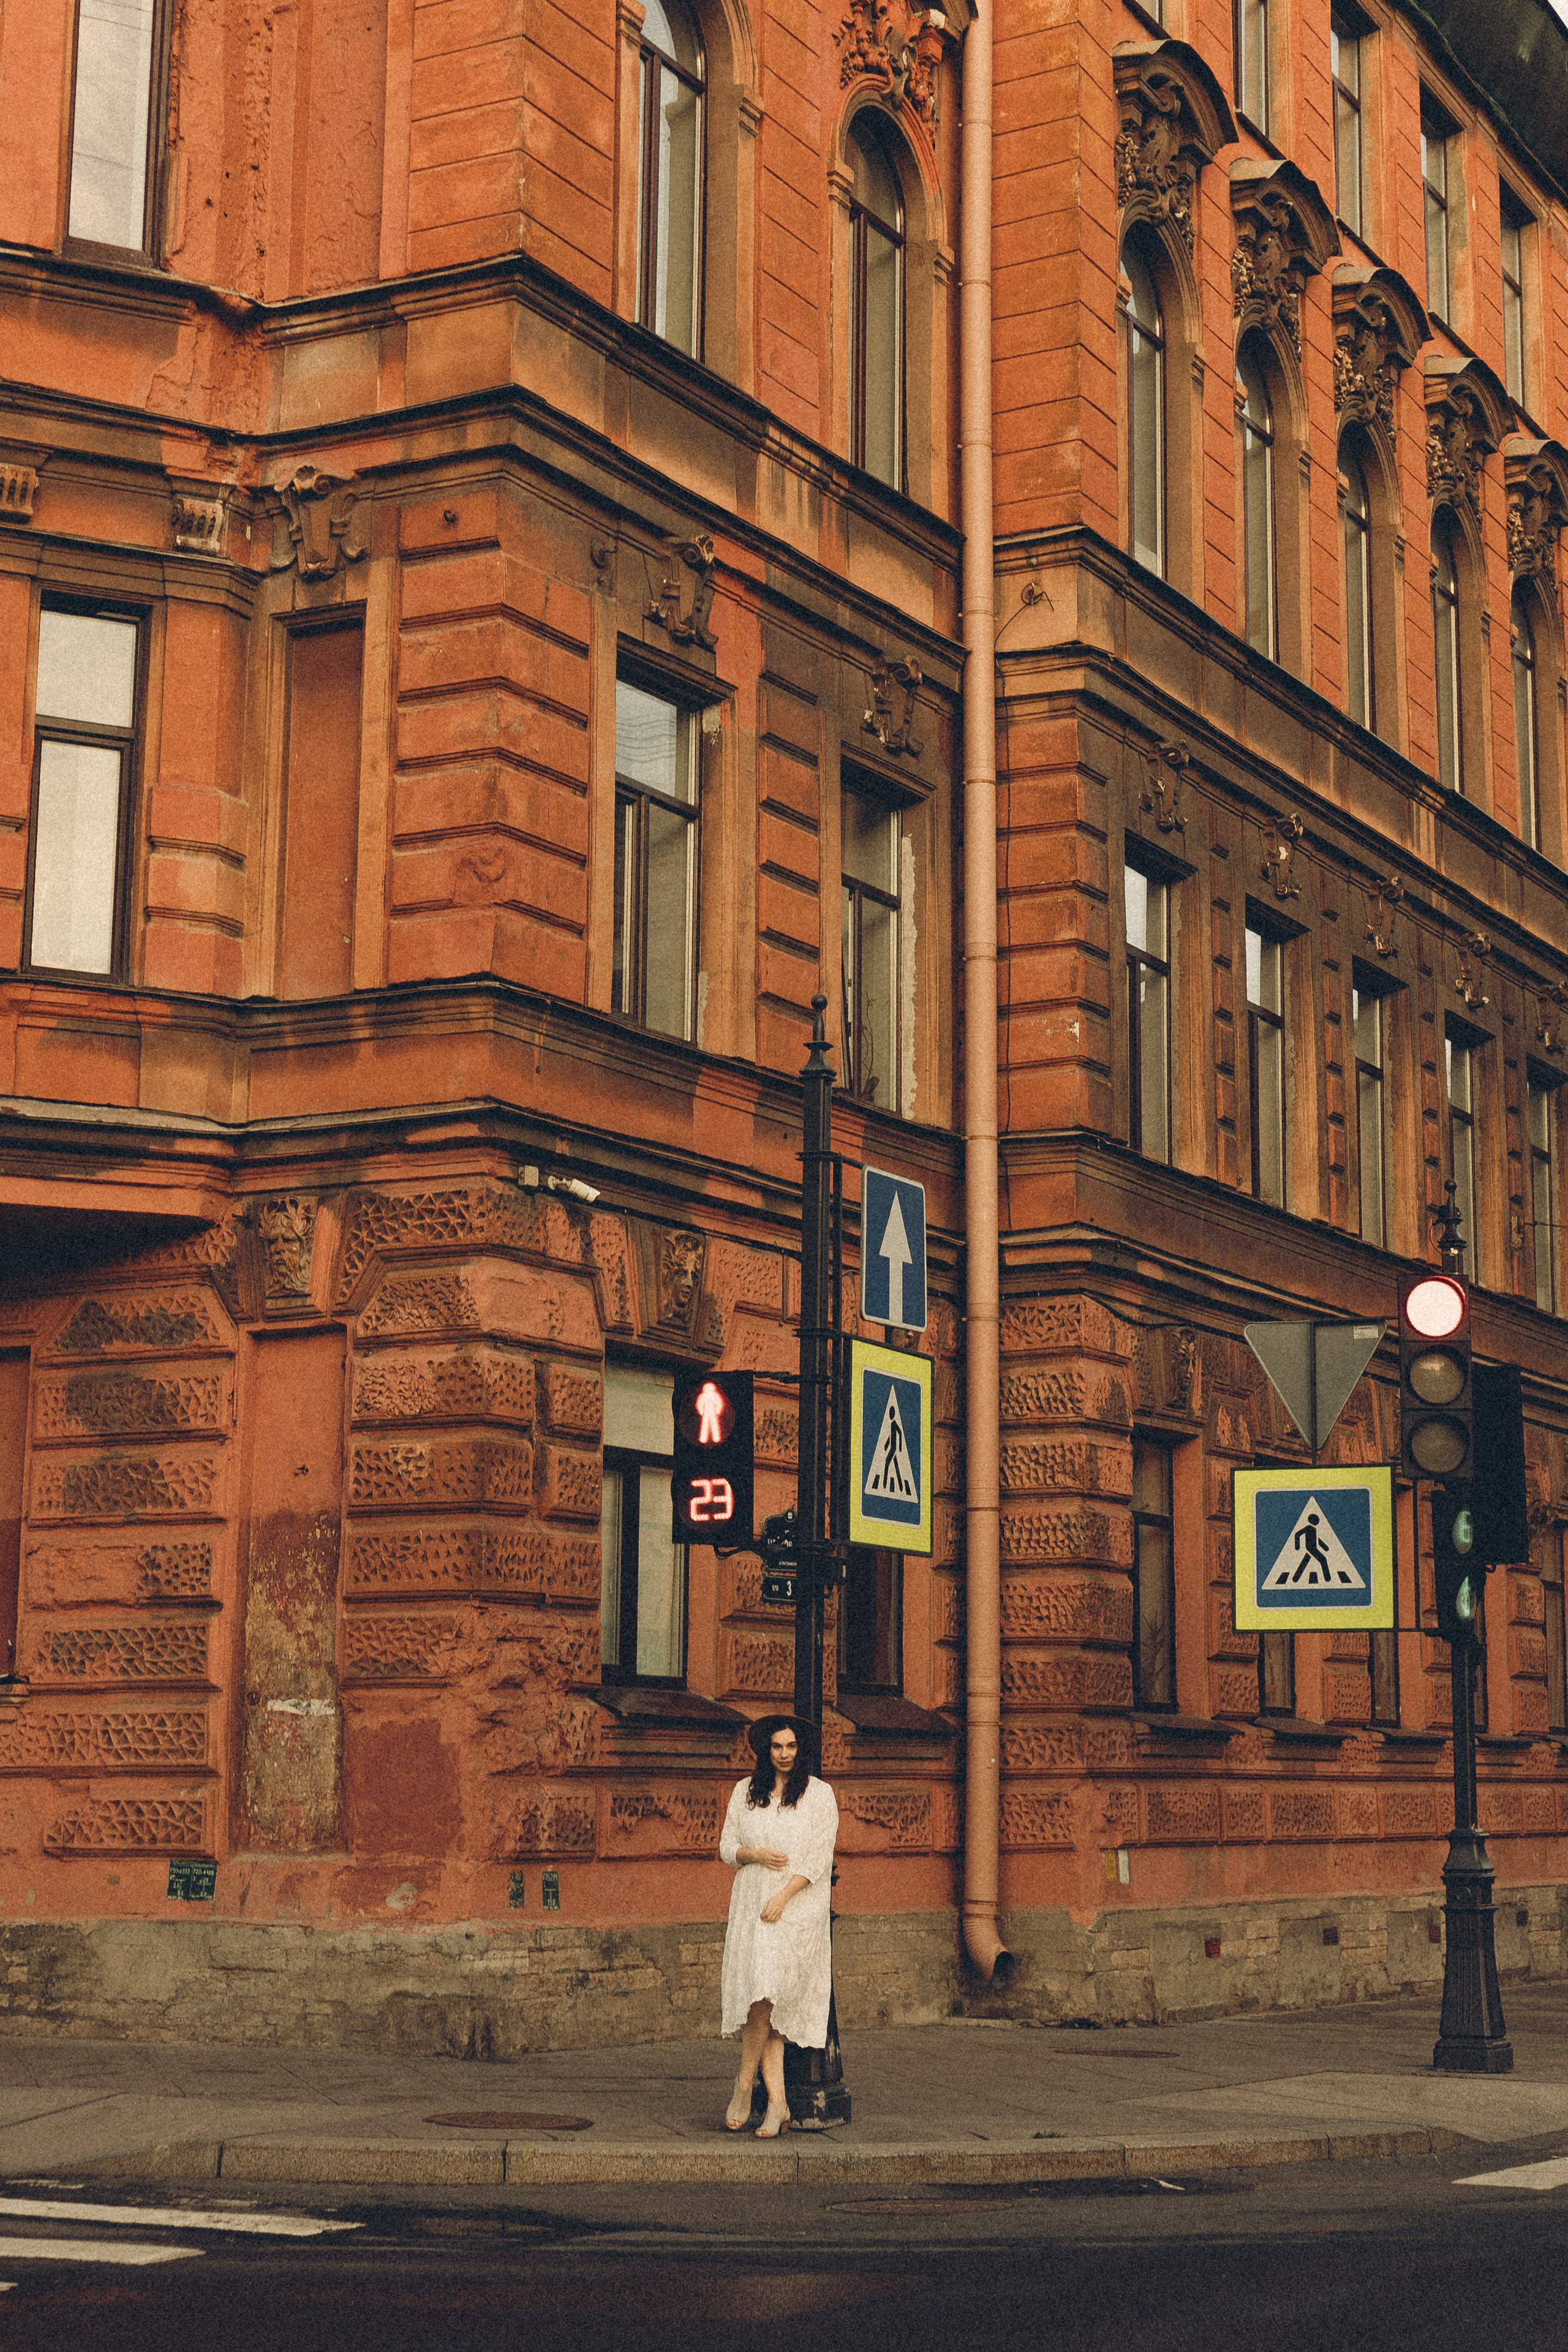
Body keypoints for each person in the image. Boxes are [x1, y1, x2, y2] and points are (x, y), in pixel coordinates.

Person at [717, 1714, 839, 2139]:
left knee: (768, 2001)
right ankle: (778, 2104)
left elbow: (819, 1857)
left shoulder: (819, 1795)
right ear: (765, 1751)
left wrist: (783, 1897)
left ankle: (743, 2085)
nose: (784, 1754)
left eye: (791, 1746)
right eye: (777, 1747)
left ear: (800, 1749)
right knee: (762, 2001)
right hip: (752, 1902)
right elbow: (727, 1848)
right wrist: (754, 1855)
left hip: (796, 1909)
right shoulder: (745, 1792)